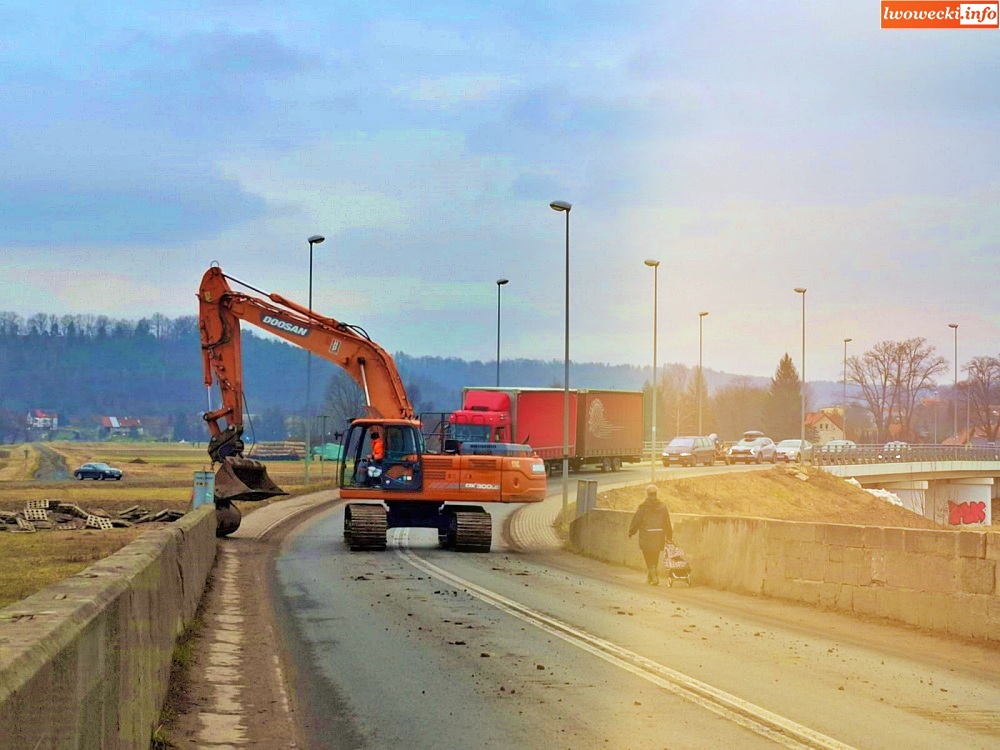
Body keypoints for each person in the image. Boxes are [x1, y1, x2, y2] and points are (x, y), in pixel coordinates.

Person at [628, 484, 673, 585]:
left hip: (647, 534)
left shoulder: (643, 507)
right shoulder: (663, 506)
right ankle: (650, 578)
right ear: (656, 493)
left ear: (647, 493)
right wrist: (669, 536)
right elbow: (667, 522)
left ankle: (655, 577)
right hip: (659, 534)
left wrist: (631, 531)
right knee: (655, 556)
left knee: (648, 556)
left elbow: (637, 520)